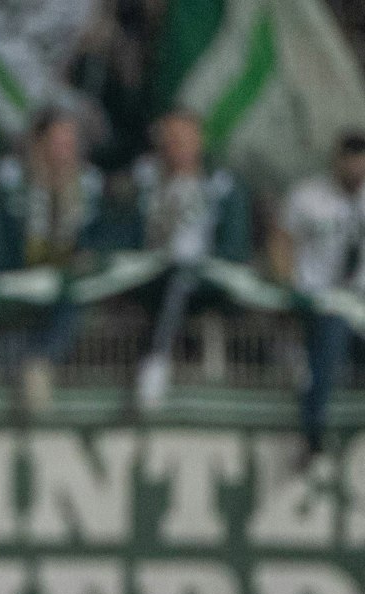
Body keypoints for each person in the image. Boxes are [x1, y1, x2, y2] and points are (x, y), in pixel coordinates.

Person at [0, 110, 109, 416]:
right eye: (58, 142)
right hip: (18, 283)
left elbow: (101, 237)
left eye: (71, 143)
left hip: (64, 288)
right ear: (38, 144)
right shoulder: (12, 186)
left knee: (74, 295)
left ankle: (40, 363)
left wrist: (88, 256)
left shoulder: (88, 189)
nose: (65, 152)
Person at [129, 110, 252, 414]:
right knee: (173, 280)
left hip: (207, 280)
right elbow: (126, 233)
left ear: (199, 141)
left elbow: (235, 246)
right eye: (169, 140)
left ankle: (157, 364)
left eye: (183, 139)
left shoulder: (221, 185)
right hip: (152, 277)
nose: (176, 147)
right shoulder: (144, 181)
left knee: (183, 279)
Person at [274, 132, 365, 460]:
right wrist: (287, 286)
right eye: (351, 159)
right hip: (320, 299)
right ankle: (312, 433)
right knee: (329, 343)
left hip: (361, 301)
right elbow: (281, 240)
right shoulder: (308, 196)